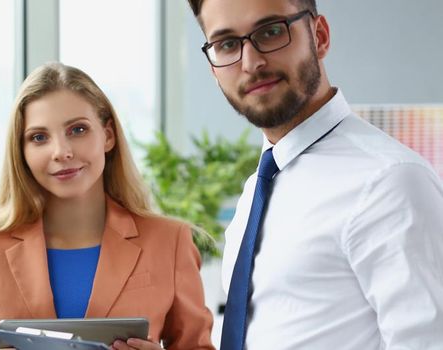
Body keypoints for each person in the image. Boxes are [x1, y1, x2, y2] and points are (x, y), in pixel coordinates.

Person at [186, 0, 443, 349]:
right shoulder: (256, 191)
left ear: (319, 36)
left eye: (271, 31)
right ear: (213, 67)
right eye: (227, 44)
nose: (251, 63)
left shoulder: (390, 182)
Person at [0, 62, 215, 350]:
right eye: (39, 137)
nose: (61, 152)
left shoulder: (170, 241)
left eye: (78, 130)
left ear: (108, 135)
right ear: (21, 151)